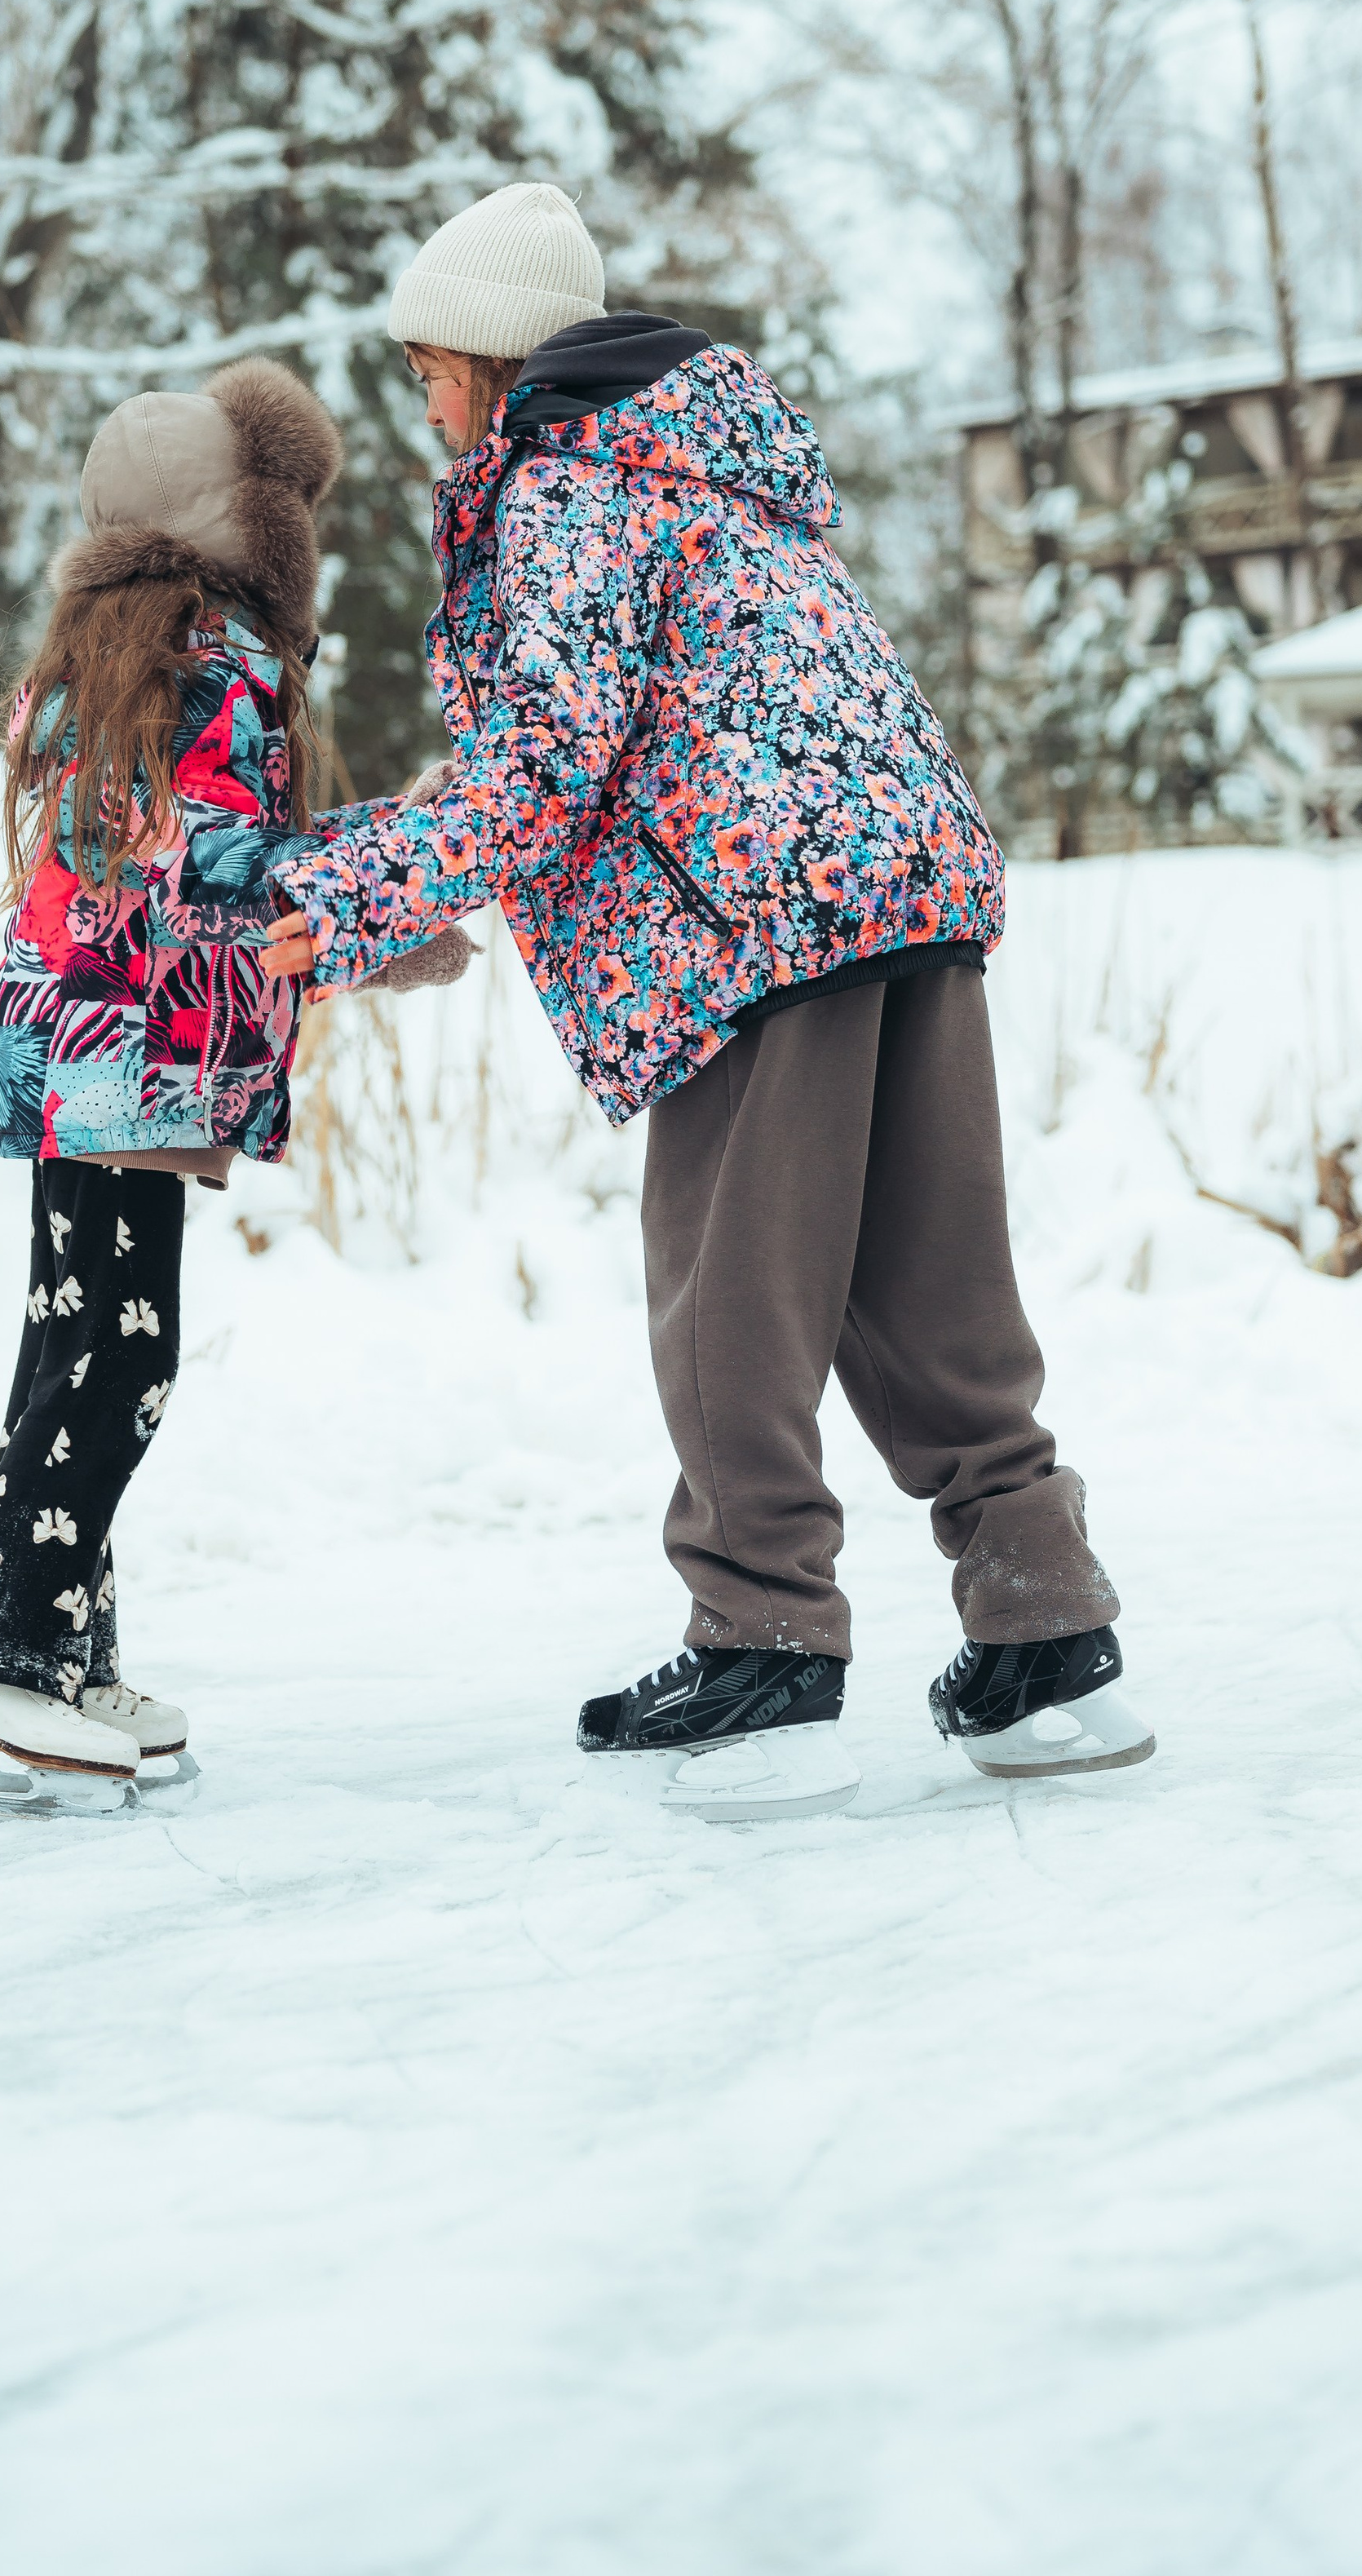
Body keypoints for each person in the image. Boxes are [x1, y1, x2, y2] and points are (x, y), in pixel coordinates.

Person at [260, 182, 1154, 1819]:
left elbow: (543, 763)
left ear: (491, 359)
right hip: (904, 890)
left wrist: (337, 895)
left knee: (732, 1297)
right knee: (927, 1281)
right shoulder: (716, 472)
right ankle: (1042, 1631)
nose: (426, 409)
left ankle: (763, 1646)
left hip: (742, 924)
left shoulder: (564, 480)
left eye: (430, 372)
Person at [0, 356, 462, 1816]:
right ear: (250, 530)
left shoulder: (111, 657)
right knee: (122, 1360)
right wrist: (379, 897)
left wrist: (349, 891)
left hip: (70, 1041)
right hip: (137, 1051)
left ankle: (12, 1643)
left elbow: (159, 856)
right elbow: (207, 870)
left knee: (67, 1348)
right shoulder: (215, 663)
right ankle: (17, 1658)